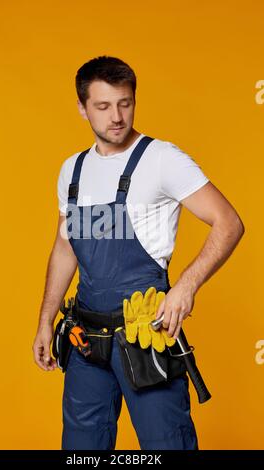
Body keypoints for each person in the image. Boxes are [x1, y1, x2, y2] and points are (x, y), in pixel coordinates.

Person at [32, 56, 245, 450]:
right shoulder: (72, 171)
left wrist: (185, 287)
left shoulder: (161, 159)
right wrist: (46, 319)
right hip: (86, 341)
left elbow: (229, 223)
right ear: (82, 108)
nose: (117, 116)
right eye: (103, 106)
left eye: (125, 103)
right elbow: (65, 246)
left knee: (167, 443)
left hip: (145, 339)